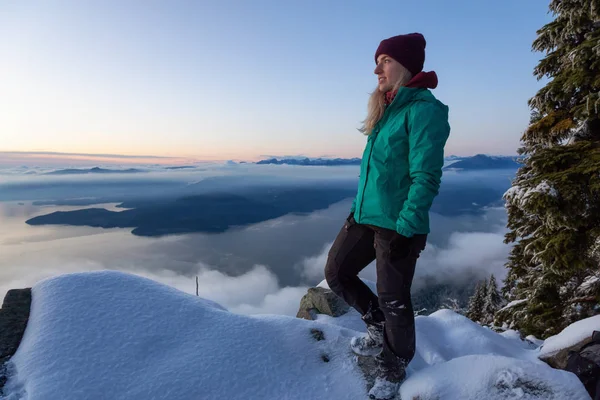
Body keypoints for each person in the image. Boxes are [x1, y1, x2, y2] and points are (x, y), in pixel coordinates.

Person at [324, 33, 450, 400]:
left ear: (405, 65)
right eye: (377, 61)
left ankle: (393, 370)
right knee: (336, 271)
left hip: (399, 225)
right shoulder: (386, 108)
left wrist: (407, 228)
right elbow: (375, 173)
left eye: (385, 60)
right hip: (365, 216)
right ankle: (376, 325)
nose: (377, 68)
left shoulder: (424, 110)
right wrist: (356, 211)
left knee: (393, 297)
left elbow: (425, 177)